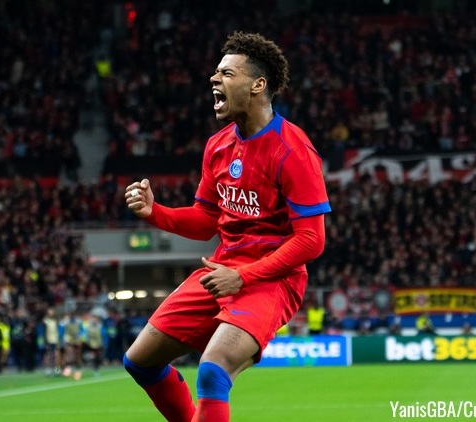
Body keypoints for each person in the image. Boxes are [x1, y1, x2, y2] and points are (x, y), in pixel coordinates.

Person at [123, 31, 331, 422]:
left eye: (226, 73)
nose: (214, 79)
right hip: (222, 271)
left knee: (213, 369)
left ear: (257, 85)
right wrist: (155, 212)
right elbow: (206, 221)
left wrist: (244, 276)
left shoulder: (292, 149)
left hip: (272, 279)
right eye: (216, 72)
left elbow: (311, 240)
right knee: (139, 361)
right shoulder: (217, 145)